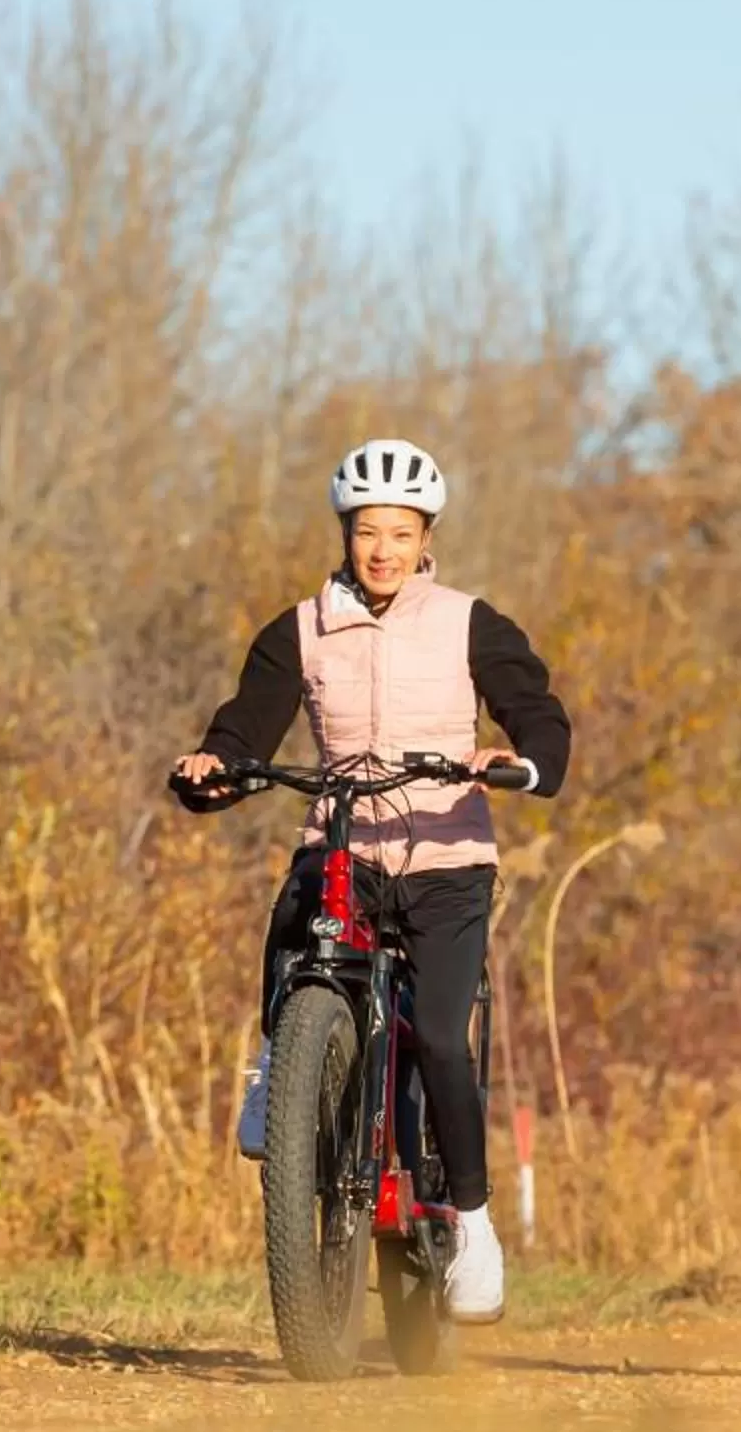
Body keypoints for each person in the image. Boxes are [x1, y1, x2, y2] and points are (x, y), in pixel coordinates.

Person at [169, 438, 571, 1324]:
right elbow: (247, 727)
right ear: (345, 535)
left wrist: (526, 760)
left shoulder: (470, 624)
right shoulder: (301, 630)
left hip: (444, 858)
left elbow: (537, 710)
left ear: (427, 535)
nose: (382, 549)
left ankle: (472, 1226)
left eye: (400, 532)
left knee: (437, 1032)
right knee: (296, 915)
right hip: (345, 841)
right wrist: (216, 765)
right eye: (366, 533)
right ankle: (284, 1064)